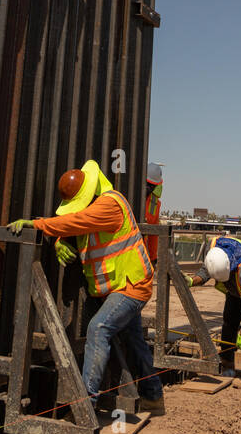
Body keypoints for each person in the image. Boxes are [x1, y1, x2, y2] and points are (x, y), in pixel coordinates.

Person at [8, 160, 164, 414]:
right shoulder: (92, 209)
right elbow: (75, 225)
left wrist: (36, 224)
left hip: (131, 286)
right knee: (134, 340)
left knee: (98, 328)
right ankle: (154, 397)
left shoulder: (110, 204)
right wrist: (58, 241)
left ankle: (85, 407)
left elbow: (77, 221)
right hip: (118, 288)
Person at [187, 233, 241, 390]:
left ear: (231, 268)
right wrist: (192, 280)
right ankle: (227, 366)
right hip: (236, 285)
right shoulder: (215, 251)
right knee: (229, 321)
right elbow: (206, 271)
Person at [143, 161, 163, 265]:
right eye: (147, 184)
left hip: (142, 254)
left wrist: (153, 258)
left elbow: (153, 235)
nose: (149, 188)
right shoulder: (129, 194)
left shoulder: (155, 204)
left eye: (152, 185)